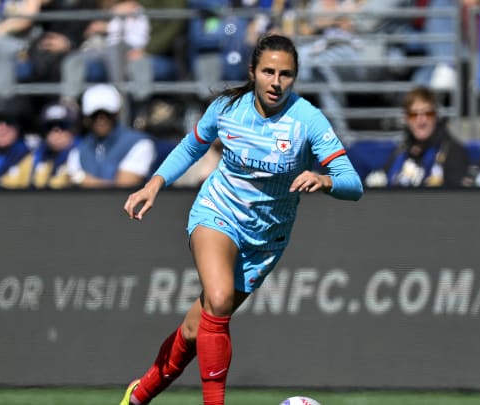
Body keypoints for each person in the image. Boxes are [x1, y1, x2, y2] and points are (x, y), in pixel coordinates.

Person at [121, 34, 363, 405]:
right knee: (217, 301)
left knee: (194, 327)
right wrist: (155, 184)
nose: (276, 82)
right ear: (253, 72)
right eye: (268, 71)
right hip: (218, 213)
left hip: (266, 239)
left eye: (286, 74)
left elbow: (354, 183)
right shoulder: (227, 109)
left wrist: (326, 179)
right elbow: (192, 145)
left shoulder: (307, 120)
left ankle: (139, 394)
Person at [364, 85, 469, 187]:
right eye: (414, 115)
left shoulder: (452, 152)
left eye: (427, 113)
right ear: (406, 118)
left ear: (436, 116)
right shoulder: (400, 152)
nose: (421, 120)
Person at [66, 83, 156, 188]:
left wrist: (82, 179)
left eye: (107, 114)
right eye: (95, 115)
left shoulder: (140, 143)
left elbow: (124, 188)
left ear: (116, 114)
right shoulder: (79, 149)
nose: (101, 120)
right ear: (86, 118)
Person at [24, 100, 81, 188]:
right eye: (50, 127)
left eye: (63, 126)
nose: (56, 131)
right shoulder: (36, 155)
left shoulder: (83, 154)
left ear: (73, 129)